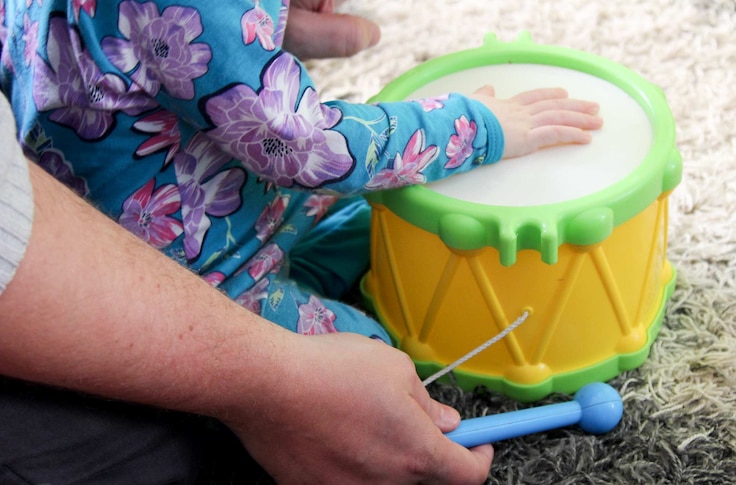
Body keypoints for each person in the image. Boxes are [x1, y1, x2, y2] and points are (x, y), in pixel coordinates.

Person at [0, 0, 603, 482]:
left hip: (219, 207)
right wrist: (477, 127)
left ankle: (304, 275)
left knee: (393, 222)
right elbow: (310, 146)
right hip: (190, 281)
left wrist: (264, 23)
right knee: (375, 367)